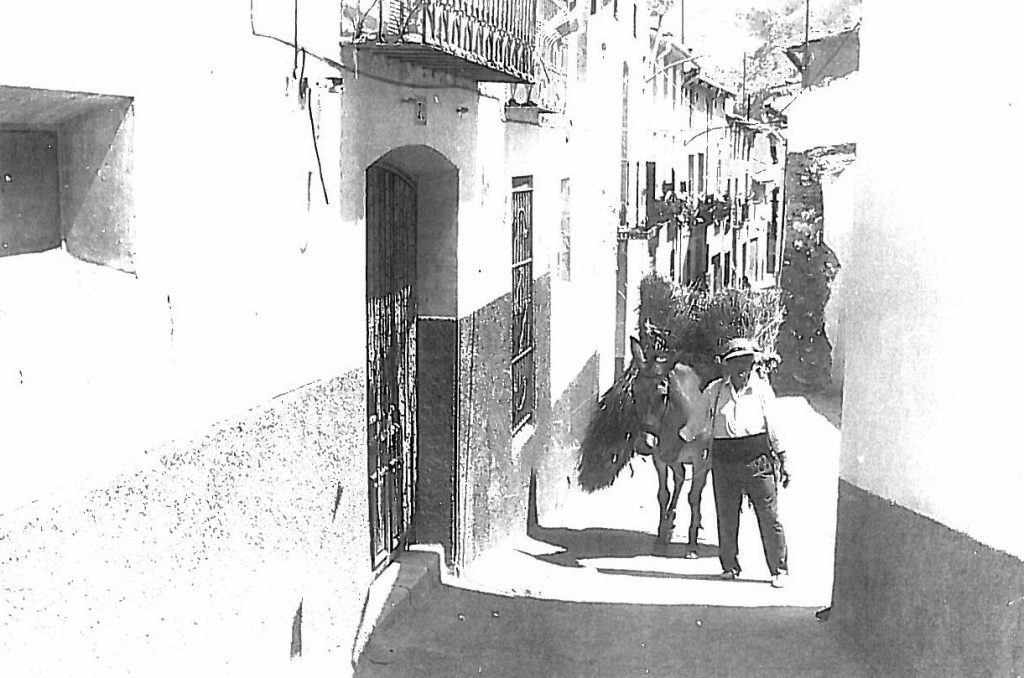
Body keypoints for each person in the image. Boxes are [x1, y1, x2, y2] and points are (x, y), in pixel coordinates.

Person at [680, 337, 790, 587]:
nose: (742, 368)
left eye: (746, 362)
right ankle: (729, 566)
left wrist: (783, 458)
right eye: (735, 362)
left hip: (757, 460)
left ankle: (779, 569)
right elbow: (696, 422)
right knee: (727, 515)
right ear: (726, 366)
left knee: (769, 516)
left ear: (752, 364)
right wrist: (678, 440)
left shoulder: (761, 391)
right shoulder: (715, 391)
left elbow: (774, 426)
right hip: (725, 460)